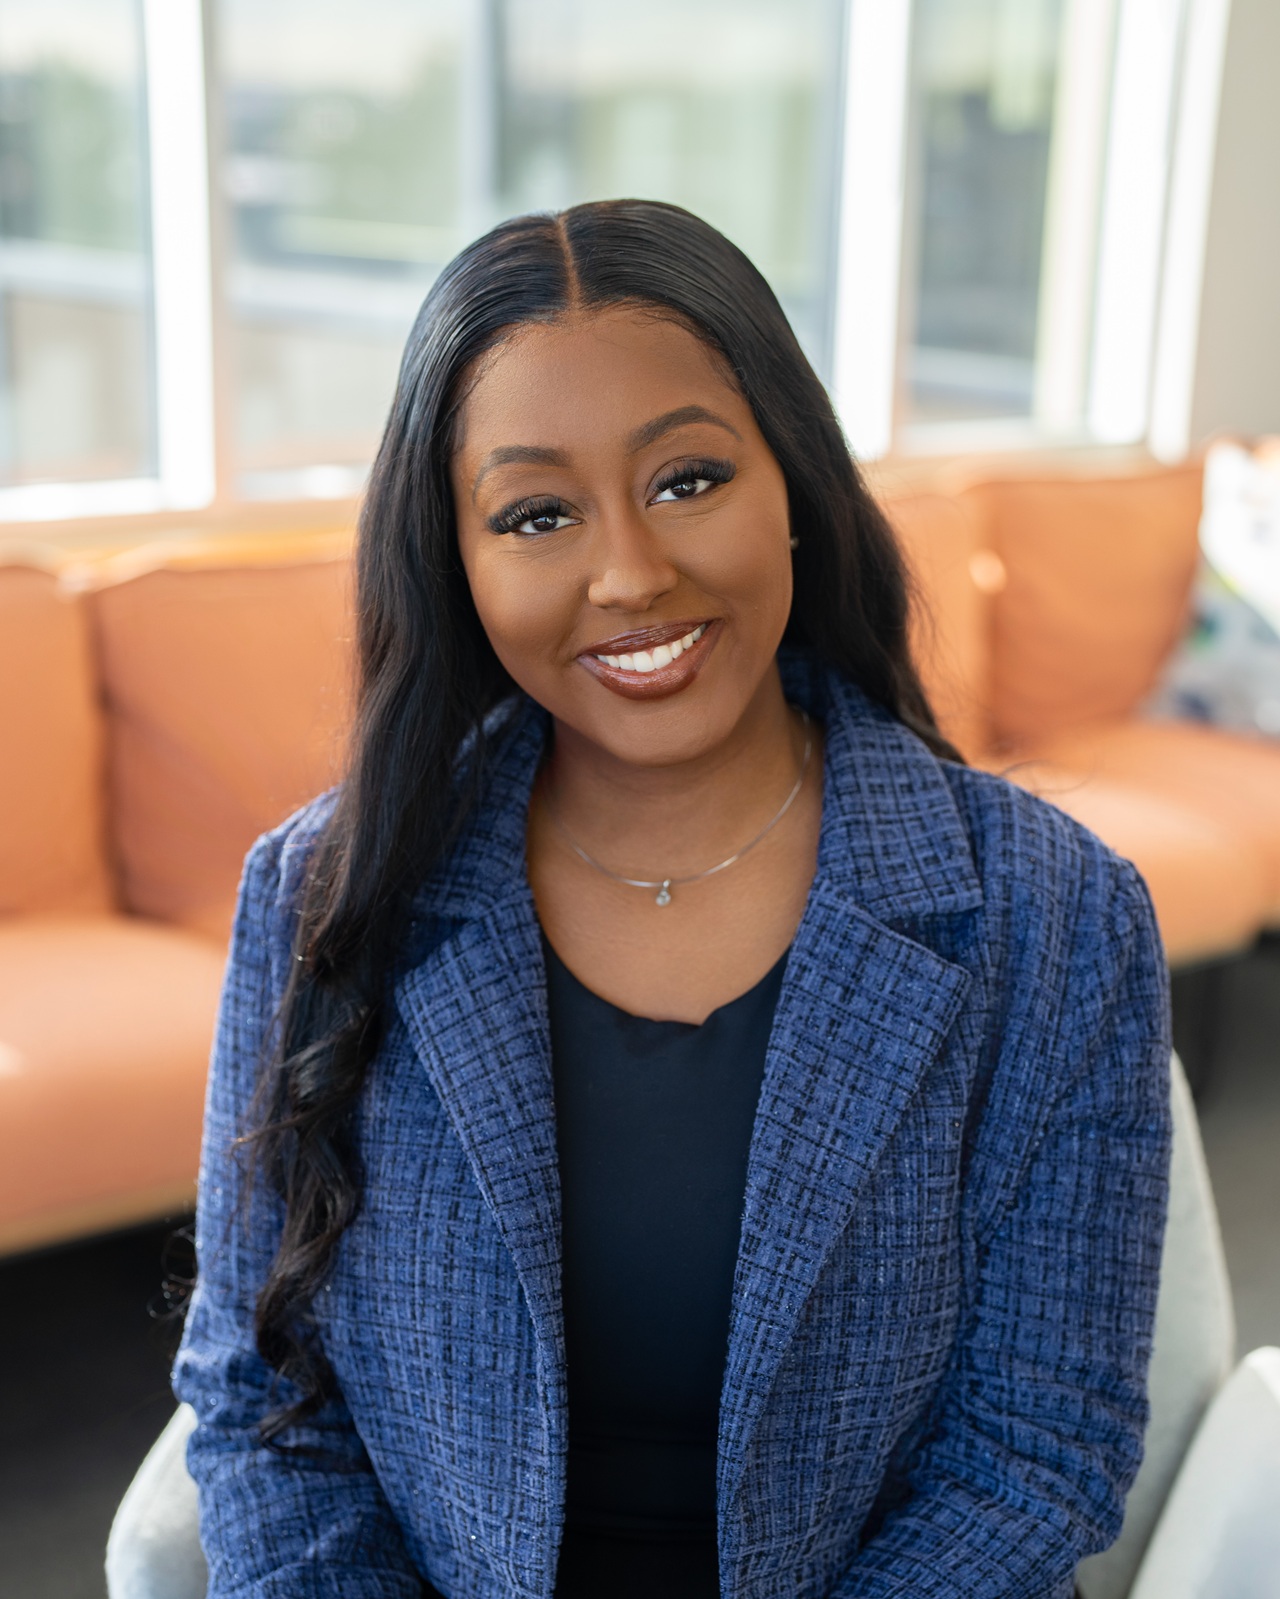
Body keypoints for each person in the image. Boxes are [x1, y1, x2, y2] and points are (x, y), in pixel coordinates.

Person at [173, 200, 1171, 1599]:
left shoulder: (1055, 913)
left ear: (796, 489)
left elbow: (1039, 1452)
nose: (631, 573)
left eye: (688, 479)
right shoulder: (320, 902)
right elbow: (264, 1415)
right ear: (456, 567)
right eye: (535, 513)